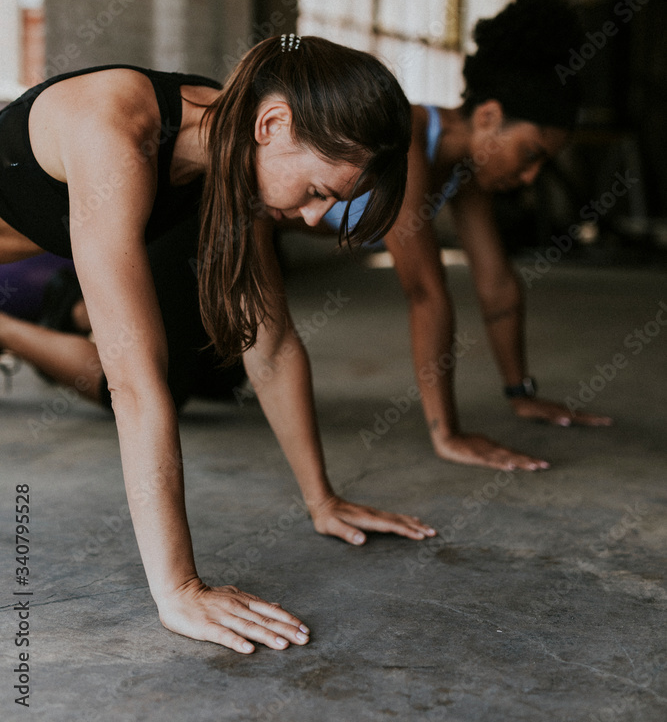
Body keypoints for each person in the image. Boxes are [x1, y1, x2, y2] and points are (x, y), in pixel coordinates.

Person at [0, 34, 435, 654]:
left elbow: (273, 342)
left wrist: (322, 499)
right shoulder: (116, 132)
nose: (314, 219)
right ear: (273, 123)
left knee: (205, 358)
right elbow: (134, 385)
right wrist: (180, 589)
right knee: (149, 372)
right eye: (318, 192)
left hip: (78, 237)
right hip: (30, 241)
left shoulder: (233, 147)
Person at [283, 0, 612, 472]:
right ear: (489, 117)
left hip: (256, 239)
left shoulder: (462, 169)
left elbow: (496, 285)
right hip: (208, 219)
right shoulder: (408, 137)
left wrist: (520, 394)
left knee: (214, 378)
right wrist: (448, 434)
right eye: (530, 154)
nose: (531, 178)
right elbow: (424, 290)